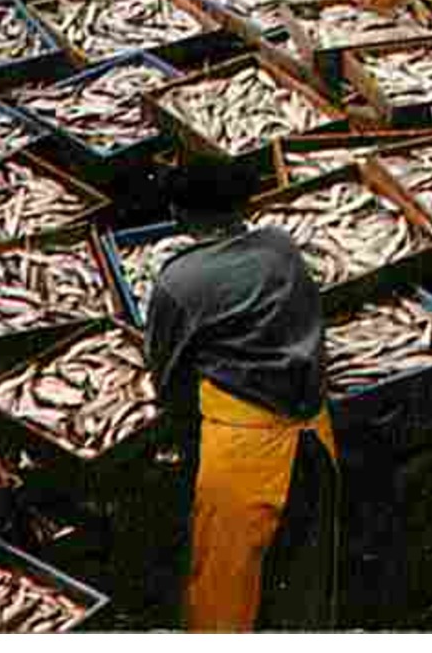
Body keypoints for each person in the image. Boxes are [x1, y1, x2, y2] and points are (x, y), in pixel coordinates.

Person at [144, 223, 340, 632]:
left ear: (181, 213)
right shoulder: (281, 245)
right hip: (315, 432)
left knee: (226, 578)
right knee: (304, 565)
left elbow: (166, 371)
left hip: (246, 450)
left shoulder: (179, 280)